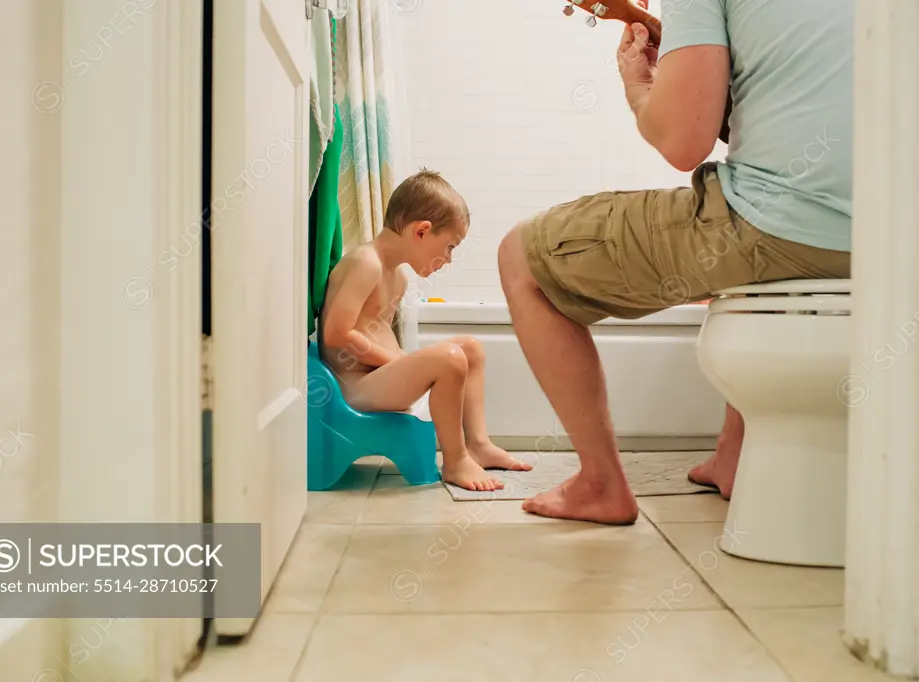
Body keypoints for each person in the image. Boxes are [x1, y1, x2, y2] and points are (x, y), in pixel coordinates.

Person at [497, 0, 854, 524]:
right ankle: (733, 455)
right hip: (907, 238)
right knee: (748, 258)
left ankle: (599, 484)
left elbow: (685, 140)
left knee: (520, 256)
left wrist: (641, 91)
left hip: (784, 227)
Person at [319, 169, 533, 492]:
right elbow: (336, 334)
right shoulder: (367, 263)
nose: (448, 259)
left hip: (377, 377)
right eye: (449, 247)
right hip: (351, 389)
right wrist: (396, 362)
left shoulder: (398, 277)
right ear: (421, 231)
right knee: (449, 358)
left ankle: (478, 444)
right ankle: (456, 459)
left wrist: (399, 361)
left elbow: (374, 335)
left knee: (470, 348)